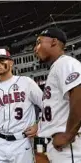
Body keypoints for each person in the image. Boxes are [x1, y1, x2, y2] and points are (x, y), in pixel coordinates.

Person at [0, 49, 43, 163]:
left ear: (11, 63)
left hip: (21, 142)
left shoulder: (26, 82)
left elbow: (46, 105)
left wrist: (38, 125)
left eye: (1, 60)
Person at [34, 27, 81, 163]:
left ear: (54, 42)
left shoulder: (66, 63)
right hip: (55, 144)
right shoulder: (57, 68)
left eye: (39, 42)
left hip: (68, 146)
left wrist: (68, 134)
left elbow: (79, 93)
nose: (35, 49)